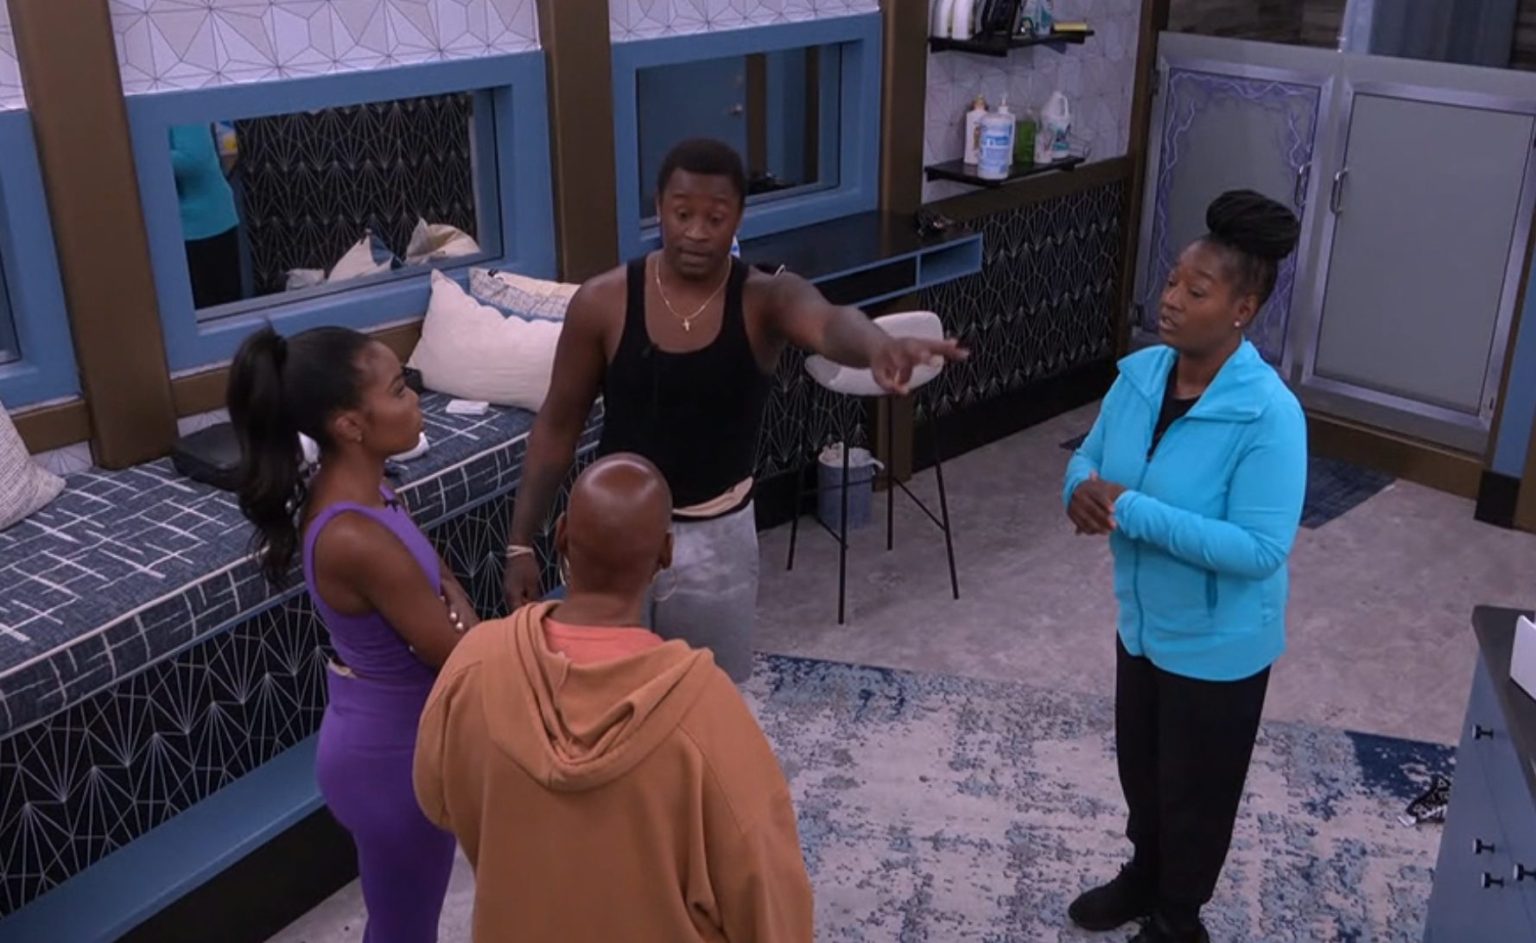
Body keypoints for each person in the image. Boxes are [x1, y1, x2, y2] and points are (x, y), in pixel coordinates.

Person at [503, 138, 966, 681]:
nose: (697, 232)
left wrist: (876, 345)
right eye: (682, 214)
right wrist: (519, 544)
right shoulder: (603, 302)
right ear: (659, 208)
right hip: (612, 537)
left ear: (739, 218)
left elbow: (829, 322)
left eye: (715, 218)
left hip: (717, 537)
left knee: (709, 694)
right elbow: (557, 428)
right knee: (604, 693)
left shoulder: (764, 299)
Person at [415, 453, 813, 942]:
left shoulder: (475, 667)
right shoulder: (706, 714)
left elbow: (437, 799)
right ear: (666, 553)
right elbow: (769, 893)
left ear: (561, 534)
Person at [1061, 191, 1307, 943]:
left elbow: (1260, 549)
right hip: (1143, 624)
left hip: (1220, 643)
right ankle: (1145, 874)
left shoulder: (1269, 414)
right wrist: (1079, 492)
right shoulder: (1139, 376)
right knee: (1144, 773)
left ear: (1243, 309)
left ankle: (1177, 918)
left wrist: (1129, 508)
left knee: (1196, 796)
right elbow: (1089, 456)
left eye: (1195, 292)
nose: (1170, 300)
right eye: (1171, 281)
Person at [228, 325, 478, 943]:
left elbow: (443, 579)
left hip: (401, 735)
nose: (415, 398)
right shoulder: (351, 535)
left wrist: (451, 608)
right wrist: (461, 618)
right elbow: (457, 649)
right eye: (398, 390)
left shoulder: (375, 492)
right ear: (350, 425)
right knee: (403, 930)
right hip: (392, 763)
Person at [171, 123, 243, 308]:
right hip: (181, 226)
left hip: (207, 223)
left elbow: (194, 160)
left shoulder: (180, 108)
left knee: (220, 312)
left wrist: (144, 152)